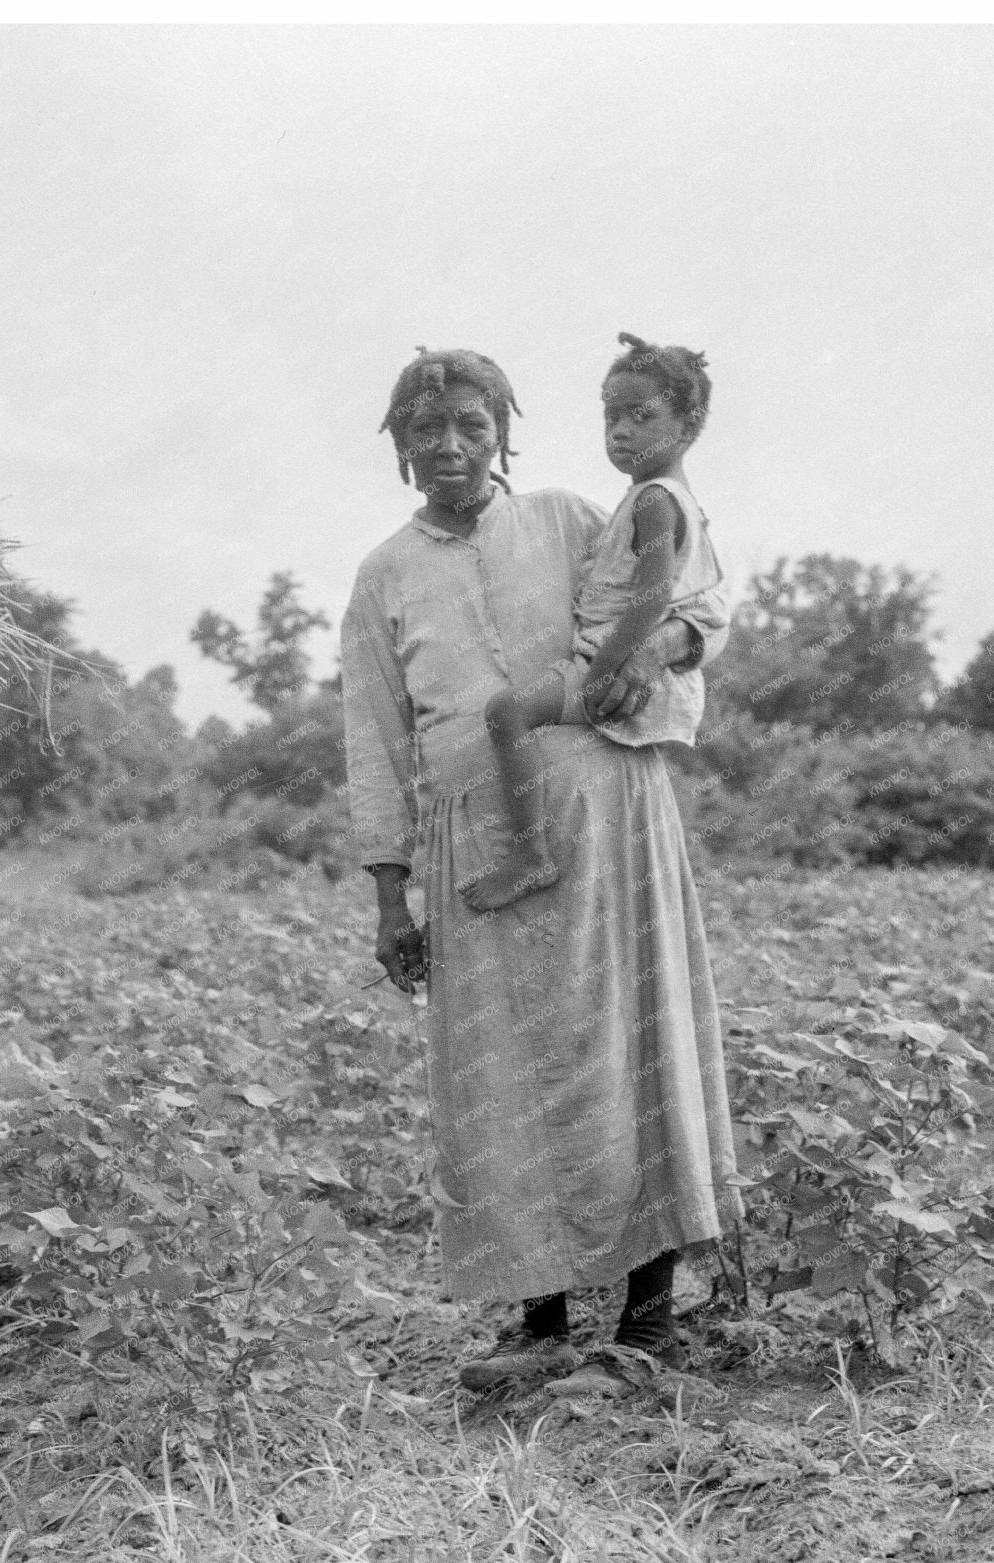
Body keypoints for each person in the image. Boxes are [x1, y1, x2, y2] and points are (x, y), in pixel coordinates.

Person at [339, 346, 740, 1397]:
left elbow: (693, 601)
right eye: (427, 431)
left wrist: (660, 654)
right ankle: (541, 1322)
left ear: (502, 434)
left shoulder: (568, 518)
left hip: (607, 809)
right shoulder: (384, 576)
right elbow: (373, 740)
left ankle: (646, 1323)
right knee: (504, 1077)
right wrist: (391, 893)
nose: (451, 448)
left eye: (472, 427)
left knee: (624, 1043)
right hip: (476, 840)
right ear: (400, 448)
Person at [461, 334, 726, 911]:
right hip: (602, 657)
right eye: (611, 415)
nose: (620, 431)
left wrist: (608, 667)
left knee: (506, 713)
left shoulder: (657, 499)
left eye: (641, 415)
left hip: (606, 661)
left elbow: (656, 593)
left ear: (686, 426)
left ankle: (532, 855)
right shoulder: (653, 500)